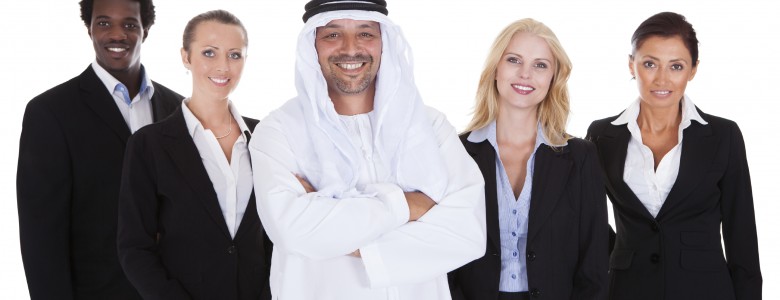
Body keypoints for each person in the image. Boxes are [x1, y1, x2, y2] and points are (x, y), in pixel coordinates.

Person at [248, 0, 487, 299]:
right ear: (313, 45)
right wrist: (406, 206)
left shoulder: (430, 126)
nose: (350, 48)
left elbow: (468, 235)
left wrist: (334, 231)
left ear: (384, 42)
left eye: (365, 33)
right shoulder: (278, 131)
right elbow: (293, 232)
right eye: (332, 35)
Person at [586, 11, 762, 300]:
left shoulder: (723, 135)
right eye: (650, 64)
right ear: (632, 65)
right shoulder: (602, 135)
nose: (662, 79)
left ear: (693, 70)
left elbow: (741, 237)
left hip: (706, 291)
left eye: (676, 66)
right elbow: (588, 220)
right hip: (626, 290)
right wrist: (623, 255)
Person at [16, 0, 182, 298]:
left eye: (130, 24)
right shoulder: (51, 112)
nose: (117, 34)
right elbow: (41, 236)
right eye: (104, 23)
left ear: (146, 30)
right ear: (89, 28)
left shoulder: (179, 110)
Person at [447, 19, 608, 300]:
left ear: (553, 78)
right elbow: (442, 254)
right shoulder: (455, 153)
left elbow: (594, 263)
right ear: (496, 69)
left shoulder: (581, 157)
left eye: (540, 65)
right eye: (514, 60)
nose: (525, 74)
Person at [116, 9, 271, 300]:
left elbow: (276, 235)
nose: (223, 66)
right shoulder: (149, 145)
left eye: (235, 55)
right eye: (209, 53)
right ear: (186, 57)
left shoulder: (265, 137)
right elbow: (134, 248)